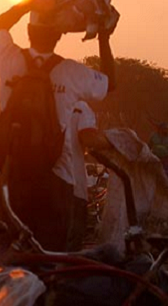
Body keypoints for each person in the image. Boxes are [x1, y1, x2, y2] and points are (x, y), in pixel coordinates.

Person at [0, 2, 114, 251]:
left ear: (28, 30)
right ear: (59, 35)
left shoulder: (10, 60)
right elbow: (110, 84)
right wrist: (103, 36)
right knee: (50, 259)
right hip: (56, 178)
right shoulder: (70, 71)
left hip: (12, 176)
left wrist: (30, 1)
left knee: (10, 254)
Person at [64, 100, 105, 250]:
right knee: (72, 239)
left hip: (44, 185)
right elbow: (89, 139)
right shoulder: (80, 107)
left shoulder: (48, 102)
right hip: (73, 185)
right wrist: (114, 143)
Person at [149, 122, 168, 188]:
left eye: (167, 129)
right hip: (156, 159)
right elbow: (149, 146)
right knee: (156, 175)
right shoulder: (153, 136)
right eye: (165, 129)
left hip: (166, 159)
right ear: (160, 129)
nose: (166, 130)